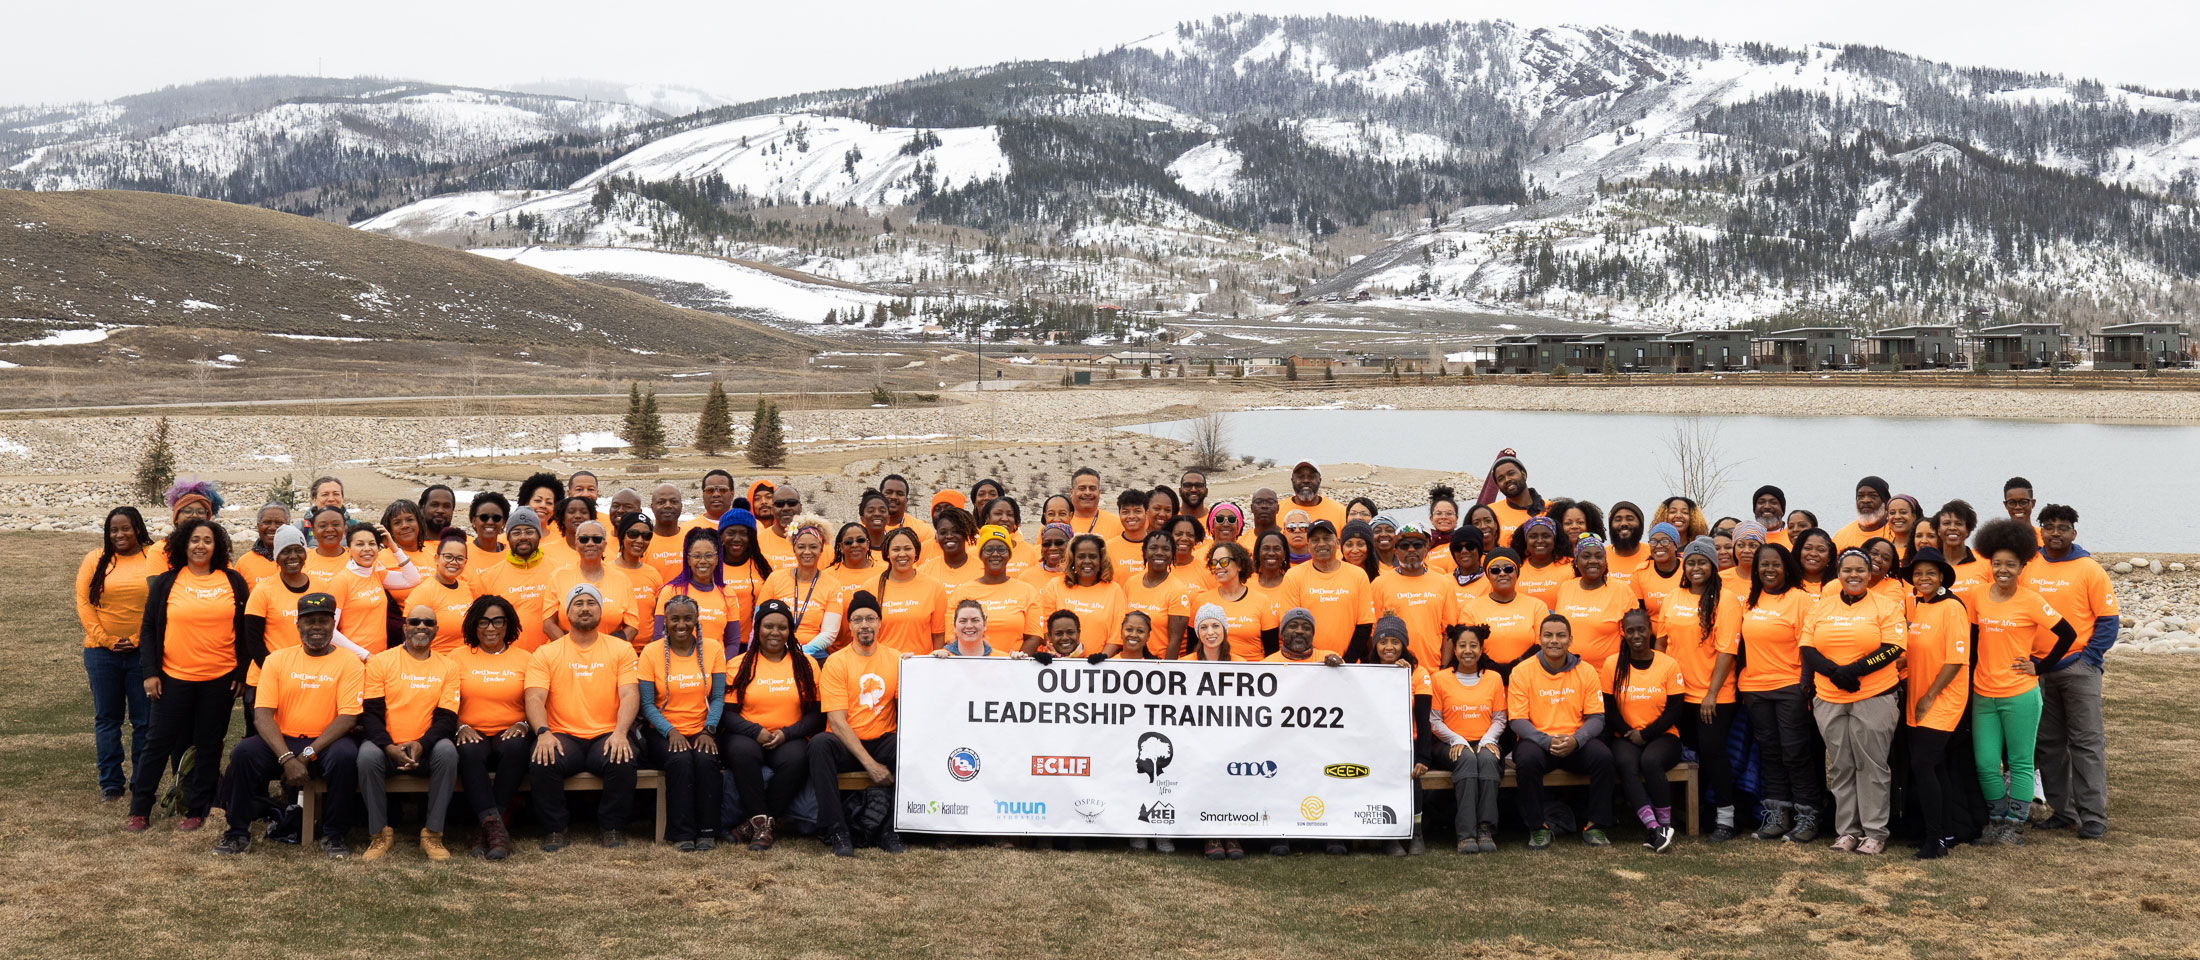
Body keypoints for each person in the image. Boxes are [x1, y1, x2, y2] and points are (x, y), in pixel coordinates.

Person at [211, 593, 362, 857]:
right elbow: (262, 715)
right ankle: (236, 832)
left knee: (346, 756)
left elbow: (348, 717)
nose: (316, 627)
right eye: (309, 621)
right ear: (298, 625)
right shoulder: (277, 660)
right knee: (243, 753)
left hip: (326, 743)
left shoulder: (349, 662)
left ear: (333, 625)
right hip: (283, 742)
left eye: (324, 621)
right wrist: (286, 758)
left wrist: (306, 756)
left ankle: (334, 833)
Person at [127, 518, 248, 833]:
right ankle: (140, 809)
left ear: (217, 546)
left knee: (209, 745)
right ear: (183, 544)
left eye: (207, 540)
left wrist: (240, 671)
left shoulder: (232, 581)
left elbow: (243, 630)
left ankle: (198, 808)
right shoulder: (168, 581)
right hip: (173, 678)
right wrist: (150, 673)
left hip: (219, 679)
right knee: (157, 743)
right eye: (195, 539)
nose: (200, 546)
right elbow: (150, 629)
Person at [1968, 518, 2079, 846]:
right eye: (1997, 564)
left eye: (2010, 565)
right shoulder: (1978, 596)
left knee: (2019, 762)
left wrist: (2040, 667)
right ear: (1990, 564)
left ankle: (2014, 825)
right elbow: (1973, 637)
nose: (2002, 570)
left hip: (2020, 694)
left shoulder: (2030, 600)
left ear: (2021, 567)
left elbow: (2067, 634)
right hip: (1983, 693)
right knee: (1986, 762)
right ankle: (1996, 818)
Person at [1800, 548, 1908, 855]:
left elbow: (1895, 646)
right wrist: (1834, 673)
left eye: (1860, 570)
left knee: (1871, 765)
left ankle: (1874, 833)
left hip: (1874, 696)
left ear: (1870, 573)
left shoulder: (1885, 606)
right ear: (1838, 572)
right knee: (1841, 765)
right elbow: (1807, 647)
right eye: (1847, 570)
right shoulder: (1822, 606)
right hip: (1830, 697)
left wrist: (1856, 669)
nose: (1854, 575)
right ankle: (1847, 831)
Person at [2025, 504, 2119, 839]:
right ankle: (2062, 812)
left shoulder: (2088, 568)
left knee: (2086, 743)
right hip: (2038, 668)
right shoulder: (2029, 564)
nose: (2054, 533)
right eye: (2048, 526)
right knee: (2049, 744)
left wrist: (2089, 659)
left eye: (2062, 527)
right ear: (2041, 530)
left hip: (2078, 668)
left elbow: (2108, 620)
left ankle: (2093, 816)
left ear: (2073, 533)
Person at [525, 584, 641, 851]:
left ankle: (612, 827)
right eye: (578, 603)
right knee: (543, 758)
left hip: (607, 733)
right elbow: (533, 698)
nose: (585, 608)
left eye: (591, 603)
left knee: (623, 757)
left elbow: (629, 694)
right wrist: (543, 733)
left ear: (601, 610)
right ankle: (555, 828)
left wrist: (621, 732)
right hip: (563, 735)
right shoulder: (547, 652)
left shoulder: (620, 649)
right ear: (567, 613)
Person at [1731, 542, 1823, 842]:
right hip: (1755, 688)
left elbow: (1809, 647)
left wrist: (1805, 686)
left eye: (1775, 564)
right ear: (1756, 569)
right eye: (1763, 564)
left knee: (1795, 752)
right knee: (1769, 751)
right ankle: (1776, 815)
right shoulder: (1749, 600)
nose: (1769, 570)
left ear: (1786, 567)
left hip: (1789, 687)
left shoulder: (1800, 599)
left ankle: (1807, 816)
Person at [356, 605, 462, 861]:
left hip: (426, 748)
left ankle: (433, 834)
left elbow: (447, 718)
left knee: (448, 751)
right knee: (366, 757)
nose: (421, 626)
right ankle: (379, 834)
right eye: (415, 621)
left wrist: (421, 745)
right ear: (404, 627)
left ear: (436, 630)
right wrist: (389, 747)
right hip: (386, 747)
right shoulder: (381, 661)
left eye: (428, 622)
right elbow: (370, 714)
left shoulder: (448, 667)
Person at [809, 590, 906, 857]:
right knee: (819, 745)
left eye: (871, 618)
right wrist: (870, 766)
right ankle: (837, 829)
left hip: (882, 738)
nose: (865, 625)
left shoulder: (895, 659)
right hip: (847, 745)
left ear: (880, 623)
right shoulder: (836, 662)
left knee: (907, 745)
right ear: (849, 625)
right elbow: (837, 722)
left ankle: (891, 829)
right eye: (858, 619)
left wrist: (921, 667)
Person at [1509, 614, 1615, 848]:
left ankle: (1595, 826)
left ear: (1570, 640)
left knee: (1604, 758)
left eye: (1560, 635)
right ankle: (1537, 827)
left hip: (1575, 741)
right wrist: (1546, 741)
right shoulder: (1522, 671)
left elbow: (1597, 717)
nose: (1554, 640)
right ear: (1539, 639)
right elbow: (1517, 720)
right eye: (1548, 635)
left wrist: (1576, 740)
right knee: (1526, 760)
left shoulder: (1586, 671)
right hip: (1537, 741)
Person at [1665, 536, 1742, 840]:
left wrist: (1711, 693)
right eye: (1691, 562)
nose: (1696, 567)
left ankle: (1726, 817)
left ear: (1713, 566)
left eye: (1702, 562)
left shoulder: (1727, 599)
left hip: (1713, 696)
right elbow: (1662, 642)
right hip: (1677, 693)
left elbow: (1727, 651)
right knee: (1687, 756)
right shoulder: (1674, 596)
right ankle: (1693, 814)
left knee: (1713, 754)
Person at [78, 506, 156, 802]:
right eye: (114, 530)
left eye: (125, 528)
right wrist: (107, 640)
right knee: (107, 718)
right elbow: (84, 602)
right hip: (101, 653)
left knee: (143, 720)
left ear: (137, 528)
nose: (120, 534)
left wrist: (138, 639)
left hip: (142, 653)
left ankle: (141, 781)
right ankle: (110, 783)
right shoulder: (95, 559)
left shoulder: (153, 556)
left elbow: (160, 601)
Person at [642, 594, 729, 851]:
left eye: (687, 618)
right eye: (675, 619)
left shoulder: (712, 648)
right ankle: (682, 834)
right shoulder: (651, 652)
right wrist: (671, 732)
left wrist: (708, 730)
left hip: (703, 728)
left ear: (696, 620)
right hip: (663, 731)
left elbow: (717, 697)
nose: (681, 624)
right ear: (665, 621)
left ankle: (707, 831)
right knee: (679, 760)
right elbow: (647, 704)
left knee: (705, 759)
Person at [1904, 548, 1973, 859]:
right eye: (1918, 574)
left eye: (1930, 573)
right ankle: (1947, 828)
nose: (1924, 578)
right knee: (1937, 766)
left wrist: (1931, 694)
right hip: (1916, 697)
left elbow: (1957, 659)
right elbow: (1914, 651)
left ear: (1942, 576)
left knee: (1923, 763)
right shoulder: (1917, 607)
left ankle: (1935, 841)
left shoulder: (1953, 608)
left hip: (1942, 698)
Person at [450, 596, 530, 860]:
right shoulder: (456, 658)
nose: (491, 628)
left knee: (516, 747)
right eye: (483, 622)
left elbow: (539, 700)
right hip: (471, 729)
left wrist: (524, 723)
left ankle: (485, 827)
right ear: (474, 625)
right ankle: (495, 827)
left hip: (512, 728)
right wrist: (460, 726)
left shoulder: (526, 659)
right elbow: (444, 702)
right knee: (470, 752)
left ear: (508, 625)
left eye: (497, 621)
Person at [1601, 608, 1684, 852]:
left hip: (1663, 735)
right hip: (1625, 735)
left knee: (1651, 760)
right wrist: (1629, 732)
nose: (1636, 634)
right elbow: (1609, 708)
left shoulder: (1668, 664)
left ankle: (1666, 824)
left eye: (1641, 629)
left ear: (1650, 630)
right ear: (1623, 632)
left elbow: (1675, 709)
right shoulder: (1612, 664)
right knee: (1626, 763)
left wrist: (1645, 734)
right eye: (1630, 630)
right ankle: (1651, 827)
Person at [1429, 626, 1506, 853]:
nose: (1468, 650)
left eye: (1473, 645)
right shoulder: (1440, 678)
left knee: (1488, 759)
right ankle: (1466, 834)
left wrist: (1486, 741)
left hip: (1484, 740)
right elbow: (1434, 721)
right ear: (1454, 648)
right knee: (1466, 759)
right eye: (1462, 645)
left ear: (1482, 649)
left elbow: (1499, 718)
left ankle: (1485, 829)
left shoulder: (1493, 678)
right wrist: (1457, 740)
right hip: (1448, 744)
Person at [1282, 519, 1375, 660]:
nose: (1321, 544)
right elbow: (1292, 626)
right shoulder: (1294, 576)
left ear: (1337, 543)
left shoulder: (1358, 575)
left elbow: (1364, 624)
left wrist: (1346, 661)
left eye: (1326, 538)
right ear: (1308, 546)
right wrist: (1313, 659)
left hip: (1348, 663)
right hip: (1307, 662)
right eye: (1315, 540)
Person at [474, 507, 559, 653]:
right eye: (516, 532)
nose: (523, 537)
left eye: (529, 531)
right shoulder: (488, 577)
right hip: (507, 659)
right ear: (507, 537)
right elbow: (479, 623)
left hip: (552, 656)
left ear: (539, 535)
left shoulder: (559, 571)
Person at [950, 526, 1045, 655]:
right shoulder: (962, 592)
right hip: (971, 668)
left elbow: (1034, 636)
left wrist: (1013, 665)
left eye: (1001, 549)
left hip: (1013, 667)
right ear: (981, 554)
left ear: (1009, 554)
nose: (995, 554)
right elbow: (951, 637)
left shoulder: (1027, 591)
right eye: (989, 549)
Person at [1457, 547, 1550, 677]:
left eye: (1508, 569)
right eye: (1495, 570)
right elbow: (1467, 646)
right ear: (1488, 576)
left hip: (1529, 677)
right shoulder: (1470, 609)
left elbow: (1542, 644)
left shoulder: (1537, 606)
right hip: (1486, 678)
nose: (1502, 574)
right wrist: (1495, 670)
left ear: (1517, 573)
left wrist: (1516, 666)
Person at [1373, 524, 1453, 669]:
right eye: (1404, 546)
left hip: (1433, 670)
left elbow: (1449, 632)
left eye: (1417, 545)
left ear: (1426, 548)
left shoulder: (1444, 583)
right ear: (1395, 550)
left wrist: (1444, 667)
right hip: (1392, 670)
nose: (1411, 549)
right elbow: (1374, 631)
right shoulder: (1379, 584)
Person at [547, 520, 637, 646]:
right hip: (567, 655)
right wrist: (572, 648)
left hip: (610, 655)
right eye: (584, 539)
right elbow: (548, 623)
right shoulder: (559, 576)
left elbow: (633, 626)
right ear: (576, 543)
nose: (590, 544)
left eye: (596, 539)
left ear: (605, 545)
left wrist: (607, 649)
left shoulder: (621, 579)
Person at [1554, 535, 1636, 670]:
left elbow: (1632, 638)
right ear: (1576, 562)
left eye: (1599, 556)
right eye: (1586, 556)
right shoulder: (1566, 587)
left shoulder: (1621, 590)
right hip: (1568, 672)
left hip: (1607, 674)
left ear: (1605, 561)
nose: (1593, 561)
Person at [1038, 534, 1127, 656]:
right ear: (1073, 559)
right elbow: (1045, 630)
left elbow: (1116, 637)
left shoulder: (1114, 590)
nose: (1087, 561)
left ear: (1101, 560)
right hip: (1059, 664)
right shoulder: (1055, 586)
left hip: (1100, 666)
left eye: (1093, 556)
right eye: (1081, 557)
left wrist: (1100, 661)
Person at [656, 527, 741, 653]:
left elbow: (733, 642)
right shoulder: (670, 591)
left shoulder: (727, 593)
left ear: (717, 559)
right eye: (696, 556)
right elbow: (658, 637)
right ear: (688, 559)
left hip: (716, 668)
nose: (702, 561)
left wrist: (721, 667)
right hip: (680, 668)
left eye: (709, 556)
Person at [1198, 541, 1279, 663]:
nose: (1218, 567)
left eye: (1224, 561)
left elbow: (1272, 651)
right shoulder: (1202, 601)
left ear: (1239, 565)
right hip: (1214, 674)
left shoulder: (1262, 601)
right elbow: (1193, 649)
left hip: (1252, 674)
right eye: (1214, 563)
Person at [765, 516, 837, 652]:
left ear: (821, 549)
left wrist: (802, 653)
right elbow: (759, 621)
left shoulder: (832, 585)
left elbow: (829, 634)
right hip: (776, 650)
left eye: (813, 547)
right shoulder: (775, 578)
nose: (807, 552)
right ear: (794, 549)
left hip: (814, 653)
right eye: (801, 546)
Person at [1123, 529, 1197, 657]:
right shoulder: (1131, 583)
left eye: (1166, 549)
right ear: (1145, 552)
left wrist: (1165, 671)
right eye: (1153, 548)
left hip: (1159, 664)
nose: (1159, 553)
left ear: (1173, 554)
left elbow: (1176, 640)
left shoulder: (1177, 590)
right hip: (1131, 663)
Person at [408, 531, 477, 654]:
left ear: (465, 562)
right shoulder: (423, 592)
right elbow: (410, 638)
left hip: (465, 661)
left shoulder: (465, 588)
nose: (454, 562)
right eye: (448, 557)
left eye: (460, 558)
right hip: (436, 663)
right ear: (436, 558)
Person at [609, 515, 667, 649]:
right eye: (633, 534)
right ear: (622, 536)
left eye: (646, 536)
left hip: (648, 651)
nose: (640, 540)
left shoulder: (653, 574)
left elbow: (660, 616)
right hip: (615, 650)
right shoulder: (606, 572)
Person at [718, 508, 771, 642]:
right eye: (730, 533)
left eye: (743, 533)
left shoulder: (764, 565)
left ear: (752, 537)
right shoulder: (711, 564)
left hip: (755, 642)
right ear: (721, 536)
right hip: (719, 642)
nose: (737, 539)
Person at [1932, 500, 1992, 608]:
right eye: (1946, 523)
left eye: (1958, 523)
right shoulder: (1931, 564)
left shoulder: (1986, 562)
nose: (1952, 528)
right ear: (1938, 531)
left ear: (1968, 530)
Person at [1484, 455, 1545, 544]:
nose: (1507, 479)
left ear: (1523, 474)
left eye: (1511, 473)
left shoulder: (1550, 508)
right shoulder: (1490, 513)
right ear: (1498, 486)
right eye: (1501, 479)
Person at [921, 505, 983, 589]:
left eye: (956, 531)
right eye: (943, 532)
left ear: (966, 534)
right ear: (937, 536)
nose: (949, 536)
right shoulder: (923, 571)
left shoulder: (983, 570)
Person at [1634, 523, 1686, 621]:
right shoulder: (1640, 572)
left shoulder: (1687, 569)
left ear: (1675, 546)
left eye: (1664, 541)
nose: (1658, 546)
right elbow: (1638, 614)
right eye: (1653, 542)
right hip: (1651, 634)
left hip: (1681, 631)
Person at [235, 503, 291, 589]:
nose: (272, 528)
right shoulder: (244, 563)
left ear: (288, 526)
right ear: (258, 526)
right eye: (267, 522)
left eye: (279, 523)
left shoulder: (301, 559)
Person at [1833, 476, 1892, 553]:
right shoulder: (1841, 536)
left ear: (1885, 502)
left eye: (1873, 496)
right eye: (1860, 496)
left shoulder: (1896, 534)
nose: (1865, 500)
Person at [1286, 460, 1347, 531]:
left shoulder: (1340, 512)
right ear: (1292, 480)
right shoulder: (1277, 511)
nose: (1306, 480)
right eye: (1301, 477)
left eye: (1311, 477)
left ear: (1319, 480)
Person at [646, 484, 689, 581]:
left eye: (673, 502)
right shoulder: (643, 541)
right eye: (661, 502)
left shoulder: (690, 540)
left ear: (681, 507)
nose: (668, 505)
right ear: (652, 507)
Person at [463, 493, 509, 583]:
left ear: (503, 522)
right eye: (484, 517)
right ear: (473, 521)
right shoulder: (462, 554)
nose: (490, 522)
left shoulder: (512, 555)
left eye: (496, 518)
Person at [1107, 490, 1152, 581]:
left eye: (1137, 511)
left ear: (1146, 513)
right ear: (1119, 514)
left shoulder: (1158, 545)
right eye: (1125, 512)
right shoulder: (1107, 548)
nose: (1131, 516)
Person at [879, 473, 935, 543]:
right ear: (879, 497)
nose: (893, 497)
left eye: (900, 494)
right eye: (889, 492)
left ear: (906, 500)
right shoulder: (864, 528)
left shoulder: (923, 530)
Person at [688, 469, 735, 533]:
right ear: (703, 495)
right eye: (710, 490)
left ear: (732, 493)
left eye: (723, 490)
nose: (716, 494)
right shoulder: (688, 530)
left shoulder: (747, 528)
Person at [1426, 486, 1461, 573]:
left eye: (1449, 513)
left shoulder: (1464, 540)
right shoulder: (1423, 542)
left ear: (1456, 518)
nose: (1444, 517)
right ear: (1431, 518)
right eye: (1439, 513)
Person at [1752, 485, 1792, 549]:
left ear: (1782, 509)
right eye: (1761, 502)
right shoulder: (1746, 534)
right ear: (1754, 509)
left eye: (1773, 502)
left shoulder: (1793, 534)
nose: (1767, 506)